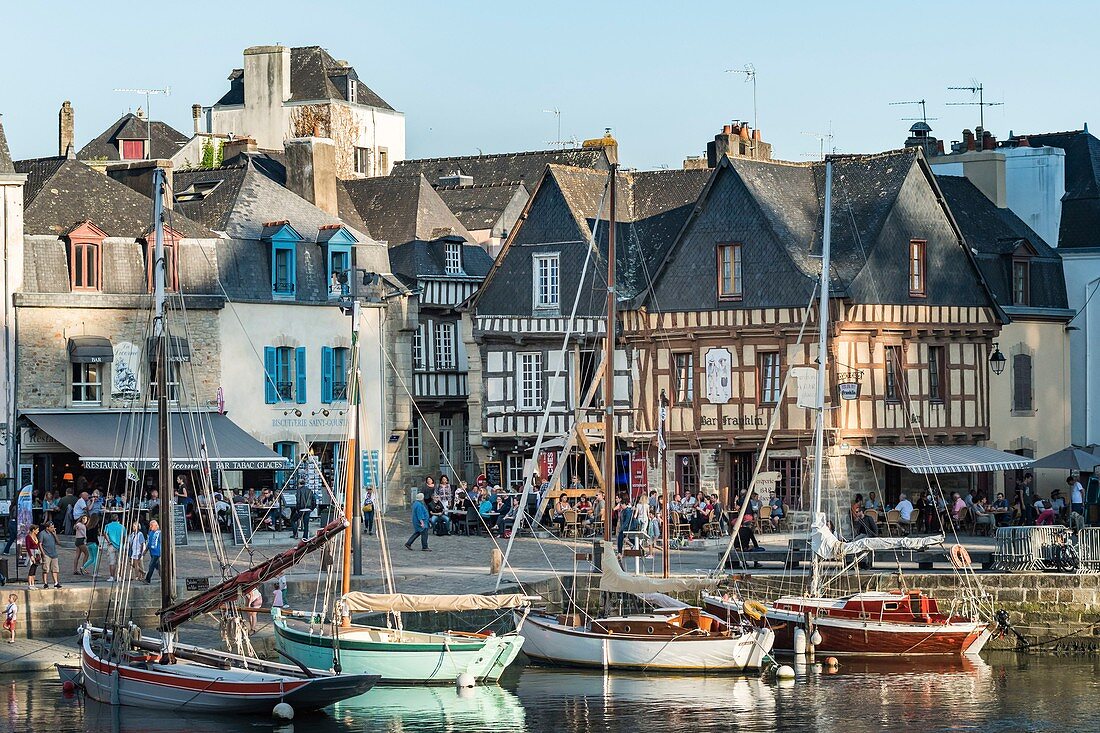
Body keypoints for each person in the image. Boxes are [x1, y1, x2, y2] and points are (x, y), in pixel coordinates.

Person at [38, 521, 61, 589]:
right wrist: (43, 553)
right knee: (45, 569)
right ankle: (45, 583)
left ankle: (56, 582)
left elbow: (58, 542)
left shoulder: (52, 533)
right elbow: (40, 544)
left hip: (54, 554)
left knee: (55, 569)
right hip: (46, 553)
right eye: (51, 527)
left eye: (53, 527)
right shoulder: (42, 534)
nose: (53, 528)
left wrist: (55, 534)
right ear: (47, 528)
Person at [103, 515, 125, 582]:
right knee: (120, 562)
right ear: (118, 519)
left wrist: (108, 541)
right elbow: (124, 536)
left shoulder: (108, 526)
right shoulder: (122, 526)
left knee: (112, 562)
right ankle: (120, 577)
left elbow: (105, 533)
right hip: (120, 546)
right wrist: (122, 543)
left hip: (111, 545)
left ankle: (112, 577)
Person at [145, 520, 162, 584]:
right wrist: (145, 550)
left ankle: (147, 579)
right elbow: (149, 542)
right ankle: (163, 576)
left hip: (157, 552)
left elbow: (161, 542)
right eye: (150, 525)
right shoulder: (151, 532)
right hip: (152, 552)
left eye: (152, 525)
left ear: (156, 526)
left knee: (151, 565)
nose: (150, 527)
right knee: (157, 566)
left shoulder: (159, 533)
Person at [25, 525, 41, 590]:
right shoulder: (28, 537)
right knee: (31, 568)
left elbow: (37, 545)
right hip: (31, 552)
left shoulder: (36, 536)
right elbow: (27, 547)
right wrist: (31, 556)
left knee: (35, 568)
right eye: (37, 530)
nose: (38, 531)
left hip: (36, 553)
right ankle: (30, 584)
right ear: (33, 530)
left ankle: (33, 583)